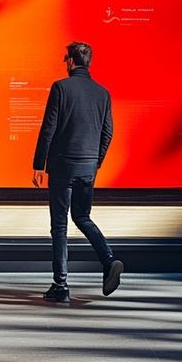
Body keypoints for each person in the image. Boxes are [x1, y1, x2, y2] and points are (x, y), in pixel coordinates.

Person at [32, 41, 124, 304]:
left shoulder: (61, 88)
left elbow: (48, 128)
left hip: (62, 165)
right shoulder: (102, 93)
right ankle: (108, 261)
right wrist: (97, 161)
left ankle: (60, 286)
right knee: (82, 216)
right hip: (88, 166)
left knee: (59, 226)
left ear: (71, 61)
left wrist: (39, 164)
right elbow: (108, 132)